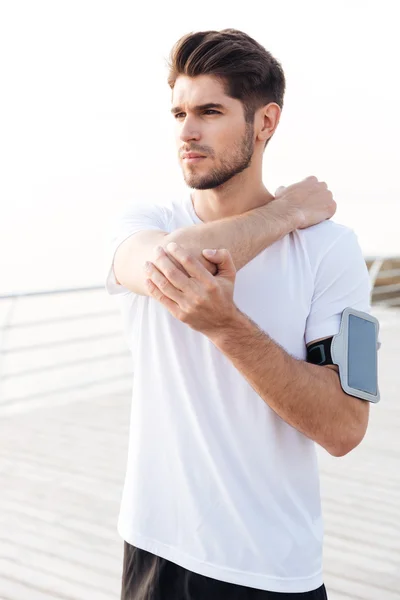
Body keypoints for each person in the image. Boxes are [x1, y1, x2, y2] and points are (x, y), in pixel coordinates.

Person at [105, 29, 371, 600]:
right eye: (178, 113)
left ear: (265, 122)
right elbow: (172, 266)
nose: (186, 132)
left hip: (273, 570)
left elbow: (347, 427)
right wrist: (287, 212)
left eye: (209, 111)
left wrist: (228, 326)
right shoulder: (144, 220)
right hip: (156, 549)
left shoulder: (334, 249)